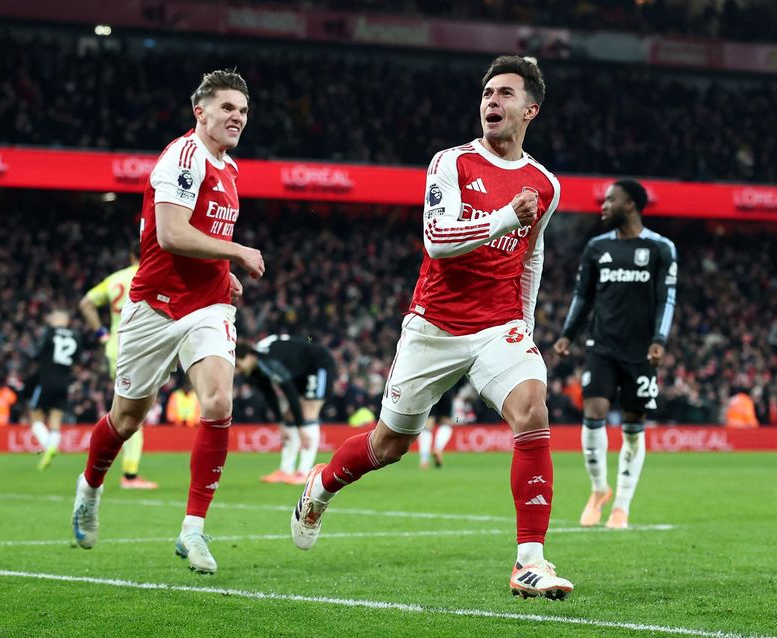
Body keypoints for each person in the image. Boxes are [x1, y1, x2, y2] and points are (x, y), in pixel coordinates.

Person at [290, 55, 572, 600]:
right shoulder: (451, 163)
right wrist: (504, 219)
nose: (492, 101)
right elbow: (437, 240)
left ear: (530, 110)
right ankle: (321, 486)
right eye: (488, 93)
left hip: (499, 326)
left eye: (506, 94)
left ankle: (529, 562)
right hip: (435, 326)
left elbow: (531, 258)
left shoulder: (545, 184)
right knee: (388, 445)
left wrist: (526, 325)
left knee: (533, 408)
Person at [70, 69, 265, 576]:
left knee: (219, 399)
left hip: (208, 305)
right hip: (153, 307)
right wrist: (238, 252)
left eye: (242, 110)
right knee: (127, 419)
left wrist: (224, 272)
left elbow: (202, 238)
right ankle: (90, 488)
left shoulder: (231, 169)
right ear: (199, 111)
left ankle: (193, 530)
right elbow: (174, 234)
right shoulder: (182, 158)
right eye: (226, 108)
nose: (236, 118)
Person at [553, 178, 677, 530]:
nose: (603, 206)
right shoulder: (596, 248)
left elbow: (667, 297)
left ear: (631, 205)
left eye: (611, 200)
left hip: (641, 353)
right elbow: (583, 296)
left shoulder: (660, 248)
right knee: (594, 412)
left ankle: (621, 505)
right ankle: (598, 491)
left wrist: (659, 339)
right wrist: (567, 335)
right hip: (602, 346)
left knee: (633, 428)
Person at [79, 247, 158, 489]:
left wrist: (102, 333)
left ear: (131, 256)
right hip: (141, 347)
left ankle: (106, 472)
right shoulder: (154, 272)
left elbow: (86, 303)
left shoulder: (114, 279)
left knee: (126, 411)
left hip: (116, 345)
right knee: (133, 414)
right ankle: (129, 475)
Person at [235, 335, 336, 484]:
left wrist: (301, 427)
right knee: (289, 416)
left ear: (248, 356)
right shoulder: (257, 367)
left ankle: (305, 472)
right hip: (302, 370)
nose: (237, 370)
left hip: (319, 364)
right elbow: (270, 395)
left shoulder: (269, 361)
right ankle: (285, 470)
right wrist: (281, 423)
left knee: (308, 412)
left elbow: (290, 393)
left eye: (238, 364)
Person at [29, 309, 82, 469]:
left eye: (52, 317)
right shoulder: (76, 335)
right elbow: (76, 362)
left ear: (59, 318)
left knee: (35, 415)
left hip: (46, 379)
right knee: (55, 417)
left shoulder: (49, 332)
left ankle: (48, 446)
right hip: (64, 382)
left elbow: (37, 352)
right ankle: (51, 447)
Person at [417, 382, 461, 469]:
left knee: (427, 425)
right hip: (447, 388)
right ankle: (438, 449)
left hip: (430, 389)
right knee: (446, 423)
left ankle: (424, 461)